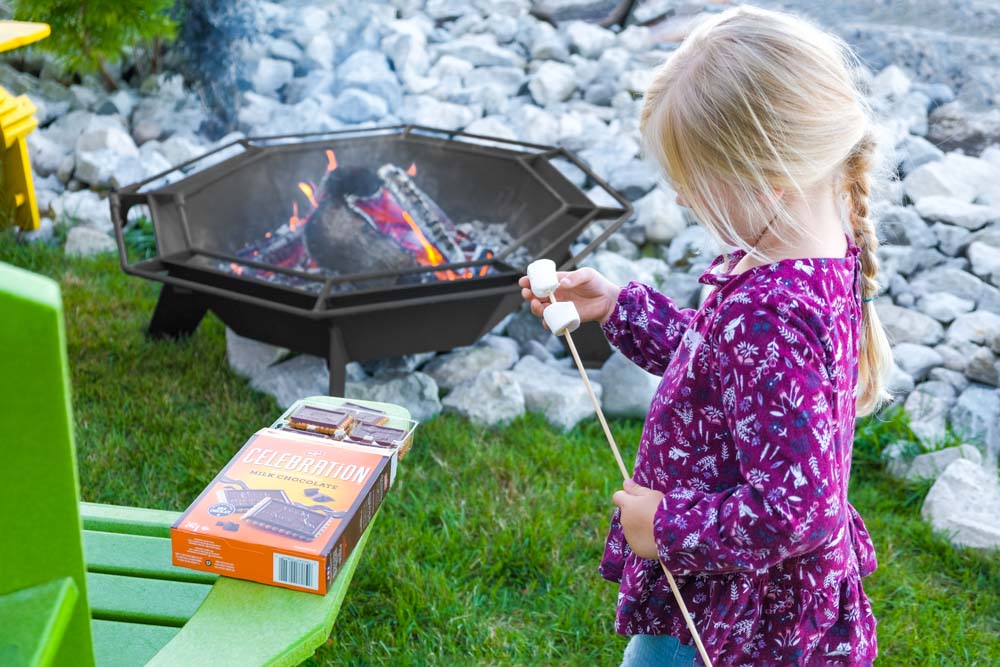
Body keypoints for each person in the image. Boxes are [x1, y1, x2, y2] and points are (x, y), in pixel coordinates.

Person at [519, 6, 892, 665]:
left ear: (768, 180)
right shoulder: (810, 251)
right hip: (738, 585)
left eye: (694, 183)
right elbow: (724, 363)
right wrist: (619, 308)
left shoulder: (770, 308)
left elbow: (799, 510)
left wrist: (666, 527)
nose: (687, 200)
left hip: (734, 612)